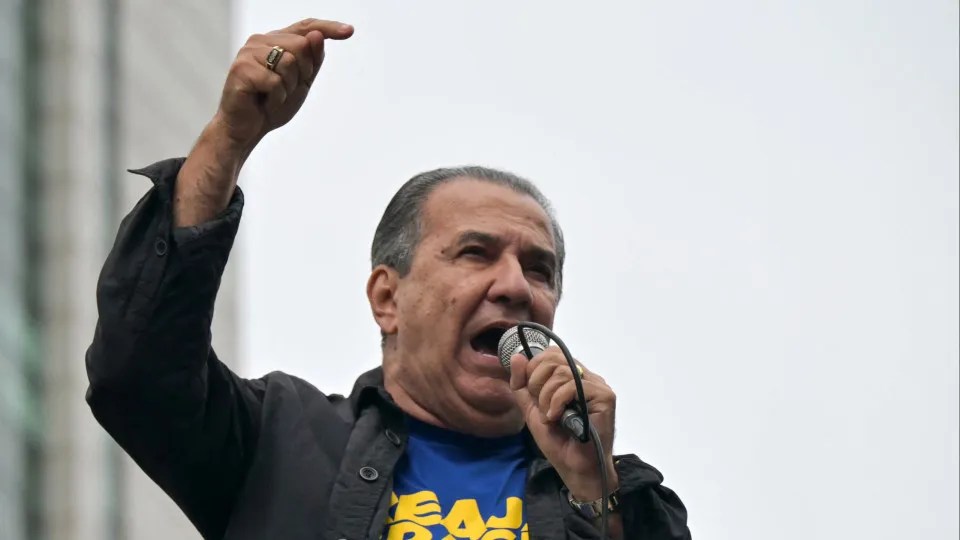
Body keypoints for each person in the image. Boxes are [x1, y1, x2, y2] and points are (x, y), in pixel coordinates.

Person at [85, 17, 691, 540]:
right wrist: (229, 138)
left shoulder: (626, 499)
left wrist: (595, 491)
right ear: (386, 298)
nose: (515, 286)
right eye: (476, 253)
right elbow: (138, 376)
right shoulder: (280, 439)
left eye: (540, 269)